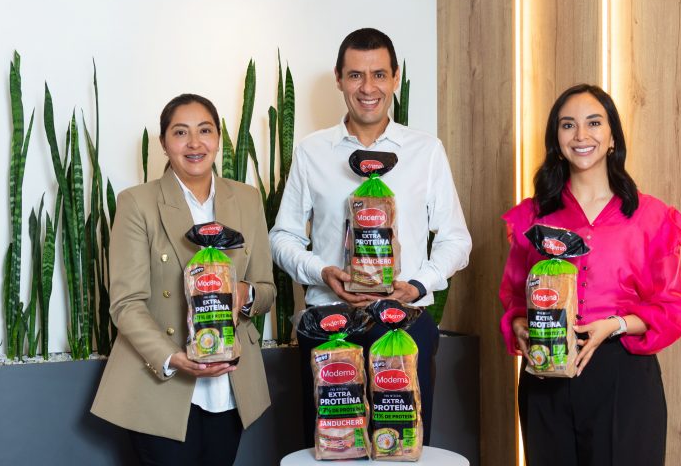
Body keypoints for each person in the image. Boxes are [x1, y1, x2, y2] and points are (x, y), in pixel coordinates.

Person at [269, 27, 472, 447]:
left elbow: (456, 240)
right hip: (329, 323)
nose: (368, 87)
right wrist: (322, 272)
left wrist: (417, 285)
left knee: (401, 446)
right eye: (356, 75)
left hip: (405, 322)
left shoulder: (425, 151)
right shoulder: (312, 152)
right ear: (338, 79)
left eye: (379, 74)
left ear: (395, 78)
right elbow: (282, 237)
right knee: (333, 447)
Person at [499, 84, 681, 465]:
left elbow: (671, 308)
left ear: (612, 136)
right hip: (546, 374)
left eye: (594, 123)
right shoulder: (533, 216)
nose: (581, 135)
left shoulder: (651, 217)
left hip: (621, 373)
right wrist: (519, 325)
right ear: (556, 140)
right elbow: (515, 298)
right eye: (568, 125)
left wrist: (614, 326)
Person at [91, 94, 276, 465]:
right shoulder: (137, 203)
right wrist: (172, 357)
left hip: (231, 385)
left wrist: (245, 292)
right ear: (163, 143)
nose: (194, 143)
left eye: (205, 131)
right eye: (180, 132)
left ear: (218, 138)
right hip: (161, 385)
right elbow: (126, 303)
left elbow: (267, 289)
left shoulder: (247, 199)